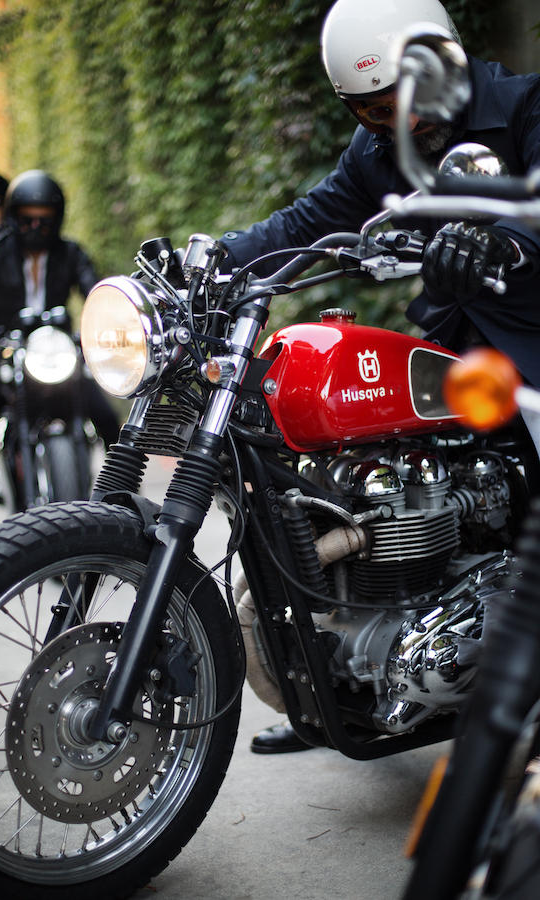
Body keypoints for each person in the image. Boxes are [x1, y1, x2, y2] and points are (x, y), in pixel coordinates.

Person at [218, 0, 540, 753]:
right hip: (458, 348)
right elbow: (302, 226)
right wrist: (216, 260)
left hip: (534, 340)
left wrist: (498, 239)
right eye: (365, 107)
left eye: (397, 98)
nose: (387, 118)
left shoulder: (526, 109)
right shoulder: (378, 153)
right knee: (337, 476)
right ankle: (344, 678)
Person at [0, 169, 120, 545]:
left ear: (58, 217)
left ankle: (125, 506)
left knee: (107, 418)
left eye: (45, 218)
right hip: (1, 350)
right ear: (14, 217)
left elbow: (96, 294)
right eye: (27, 218)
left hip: (55, 350)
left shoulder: (71, 253)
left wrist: (106, 329)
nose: (36, 227)